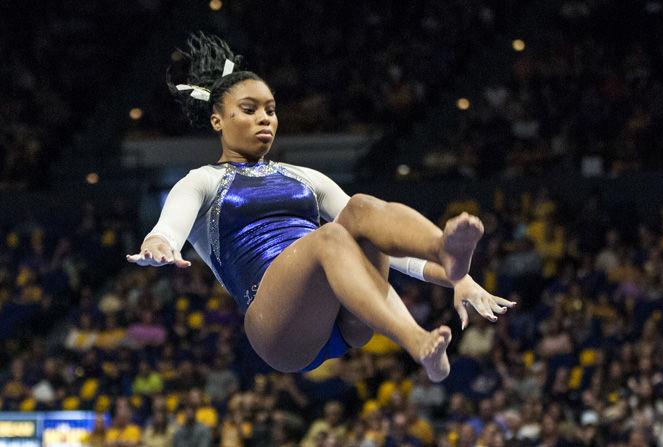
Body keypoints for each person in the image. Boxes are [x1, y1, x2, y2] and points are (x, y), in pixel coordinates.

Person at [127, 32, 515, 382]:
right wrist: (160, 242)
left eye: (271, 109)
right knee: (330, 235)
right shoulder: (202, 181)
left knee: (361, 208)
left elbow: (380, 242)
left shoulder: (304, 177)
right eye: (249, 109)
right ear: (217, 120)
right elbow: (170, 225)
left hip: (345, 313)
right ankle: (417, 341)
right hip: (277, 327)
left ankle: (444, 251)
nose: (265, 118)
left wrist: (457, 279)